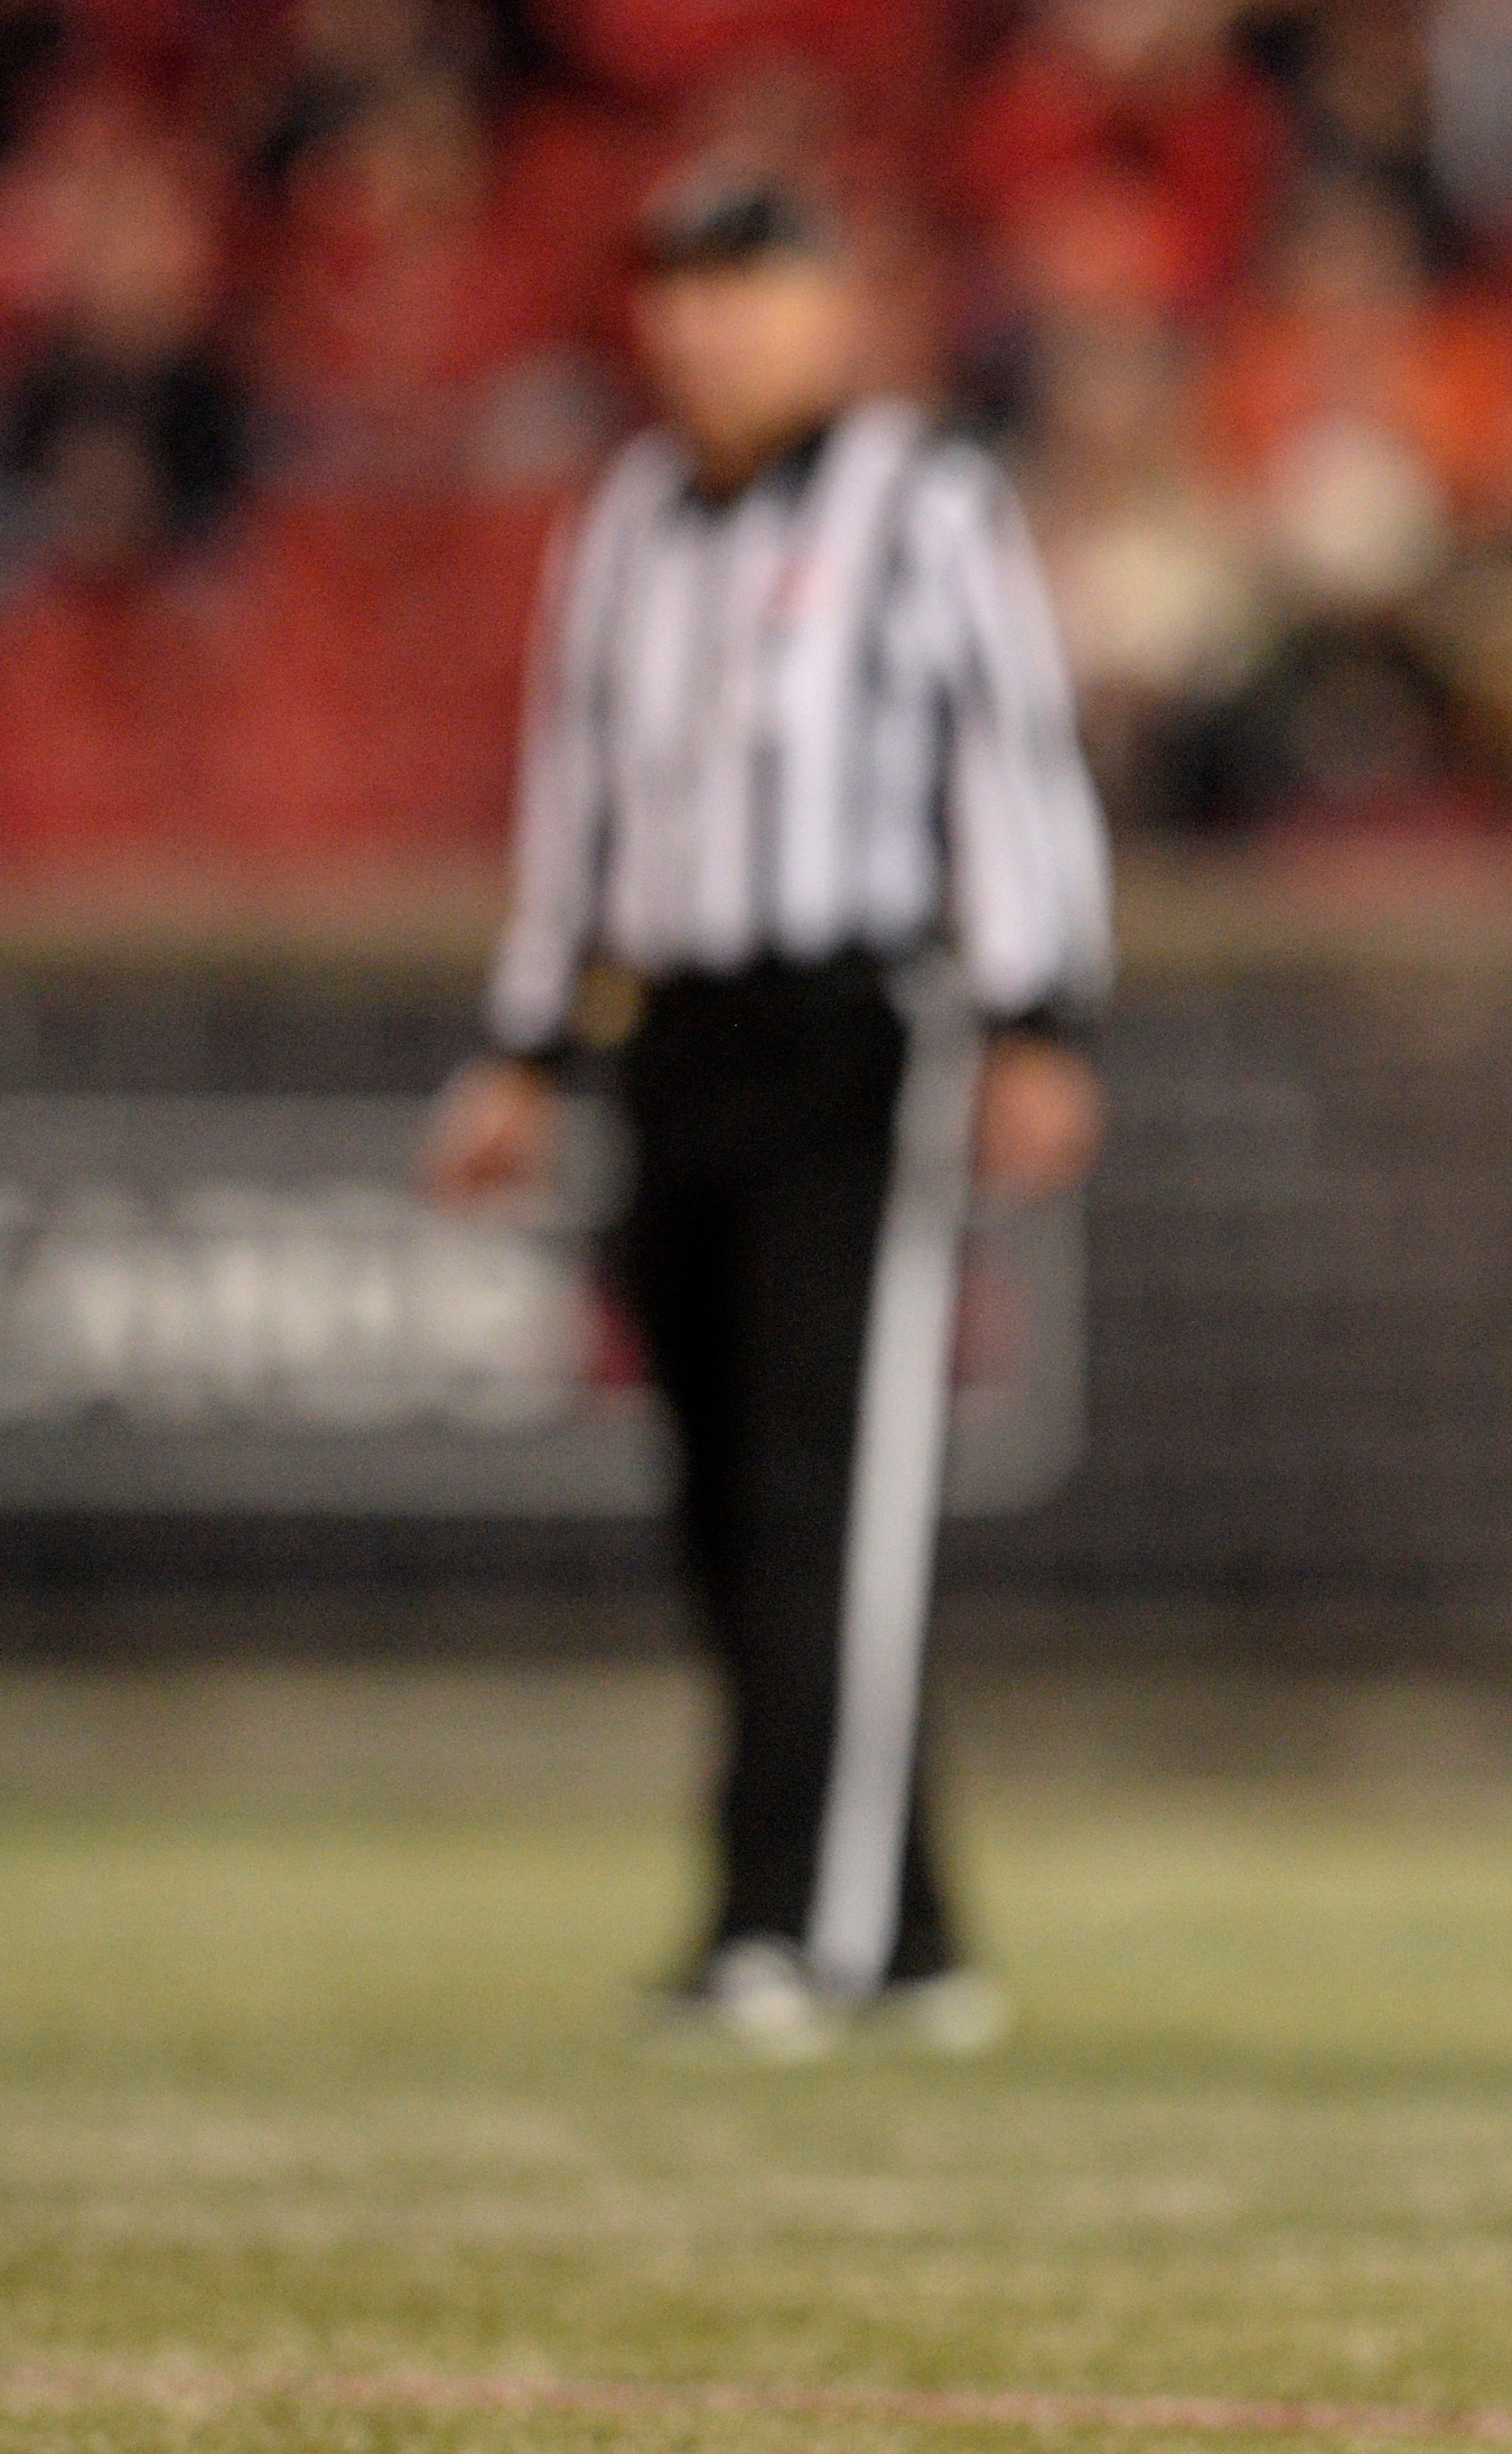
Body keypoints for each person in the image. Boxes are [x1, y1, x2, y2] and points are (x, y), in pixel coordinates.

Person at [424, 168, 1112, 2054]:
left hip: (854, 1027)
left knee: (833, 1481)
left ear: (836, 309)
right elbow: (577, 807)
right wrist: (526, 1046)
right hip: (674, 1035)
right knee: (726, 1482)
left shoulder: (930, 504)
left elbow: (1014, 765)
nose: (711, 326)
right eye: (684, 290)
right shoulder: (626, 522)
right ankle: (896, 1926)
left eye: (752, 286)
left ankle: (779, 1916)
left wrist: (1040, 1014)